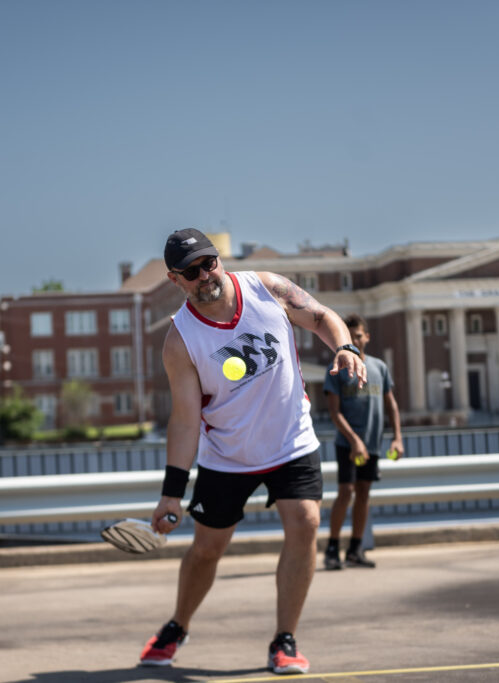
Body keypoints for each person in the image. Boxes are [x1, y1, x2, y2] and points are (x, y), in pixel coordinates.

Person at [139, 228, 366, 676]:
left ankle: (285, 640)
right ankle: (177, 625)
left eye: (209, 263)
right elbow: (184, 419)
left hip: (291, 440)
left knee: (305, 522)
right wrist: (171, 494)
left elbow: (321, 316)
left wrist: (344, 347)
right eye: (191, 271)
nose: (205, 275)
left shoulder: (266, 288)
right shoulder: (180, 341)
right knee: (208, 548)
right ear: (174, 279)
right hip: (228, 455)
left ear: (218, 260)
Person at [322, 313, 404, 570]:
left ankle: (355, 550)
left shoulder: (379, 367)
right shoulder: (336, 368)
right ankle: (332, 548)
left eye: (359, 335)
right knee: (346, 491)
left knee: (364, 492)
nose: (355, 340)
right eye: (350, 337)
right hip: (348, 445)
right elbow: (334, 413)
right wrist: (354, 441)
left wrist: (397, 438)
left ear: (367, 337)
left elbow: (391, 405)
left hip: (372, 443)